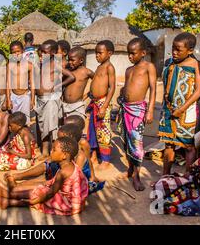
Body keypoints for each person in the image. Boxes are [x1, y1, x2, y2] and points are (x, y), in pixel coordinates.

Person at [0, 136, 88, 216]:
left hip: (70, 204)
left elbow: (50, 193)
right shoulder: (68, 165)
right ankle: (7, 198)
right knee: (41, 188)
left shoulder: (63, 172)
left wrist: (34, 200)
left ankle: (8, 196)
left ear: (64, 155)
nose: (51, 152)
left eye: (54, 150)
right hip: (75, 202)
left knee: (40, 193)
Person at [4, 121, 104, 196]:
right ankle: (18, 177)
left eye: (60, 138)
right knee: (47, 164)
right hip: (62, 170)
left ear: (69, 138)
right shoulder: (65, 149)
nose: (57, 140)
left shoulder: (80, 153)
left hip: (70, 179)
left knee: (46, 181)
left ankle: (19, 187)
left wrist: (92, 177)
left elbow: (75, 175)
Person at [158, 33, 200, 176]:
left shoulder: (194, 64)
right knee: (168, 143)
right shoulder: (169, 62)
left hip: (185, 112)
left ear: (190, 51)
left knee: (188, 146)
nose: (174, 52)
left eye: (178, 49)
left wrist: (182, 109)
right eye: (173, 48)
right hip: (168, 110)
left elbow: (198, 91)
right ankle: (165, 175)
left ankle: (188, 178)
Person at [117, 38, 157, 191]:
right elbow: (127, 87)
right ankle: (130, 169)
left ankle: (136, 176)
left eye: (133, 53)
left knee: (137, 143)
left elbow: (153, 89)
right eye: (128, 53)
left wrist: (150, 110)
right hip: (125, 108)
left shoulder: (149, 67)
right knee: (126, 141)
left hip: (138, 110)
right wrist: (121, 96)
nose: (130, 56)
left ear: (143, 53)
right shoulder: (129, 70)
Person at [35, 40, 75, 157]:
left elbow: (71, 76)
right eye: (41, 51)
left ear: (52, 52)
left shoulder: (55, 65)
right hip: (41, 100)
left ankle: (48, 151)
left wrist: (57, 85)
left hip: (50, 100)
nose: (41, 54)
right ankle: (46, 150)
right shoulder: (42, 65)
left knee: (50, 128)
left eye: (44, 52)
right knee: (44, 127)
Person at [86, 40, 116, 170]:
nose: (97, 55)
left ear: (109, 53)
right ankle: (93, 155)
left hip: (103, 103)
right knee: (93, 130)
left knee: (103, 131)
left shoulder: (109, 67)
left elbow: (112, 87)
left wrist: (104, 106)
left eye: (100, 53)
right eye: (96, 53)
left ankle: (105, 160)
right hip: (95, 103)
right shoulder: (99, 67)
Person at [6, 41, 35, 122]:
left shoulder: (29, 65)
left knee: (25, 121)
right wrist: (8, 99)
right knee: (14, 121)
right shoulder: (10, 65)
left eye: (18, 51)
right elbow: (8, 83)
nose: (16, 54)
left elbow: (32, 84)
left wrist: (32, 100)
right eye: (13, 52)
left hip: (25, 96)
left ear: (23, 51)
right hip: (13, 96)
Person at [62, 46, 94, 120]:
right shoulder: (67, 71)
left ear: (81, 60)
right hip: (64, 105)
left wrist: (88, 94)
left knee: (76, 127)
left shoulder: (86, 72)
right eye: (69, 59)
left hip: (77, 106)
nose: (70, 62)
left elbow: (97, 82)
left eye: (72, 60)